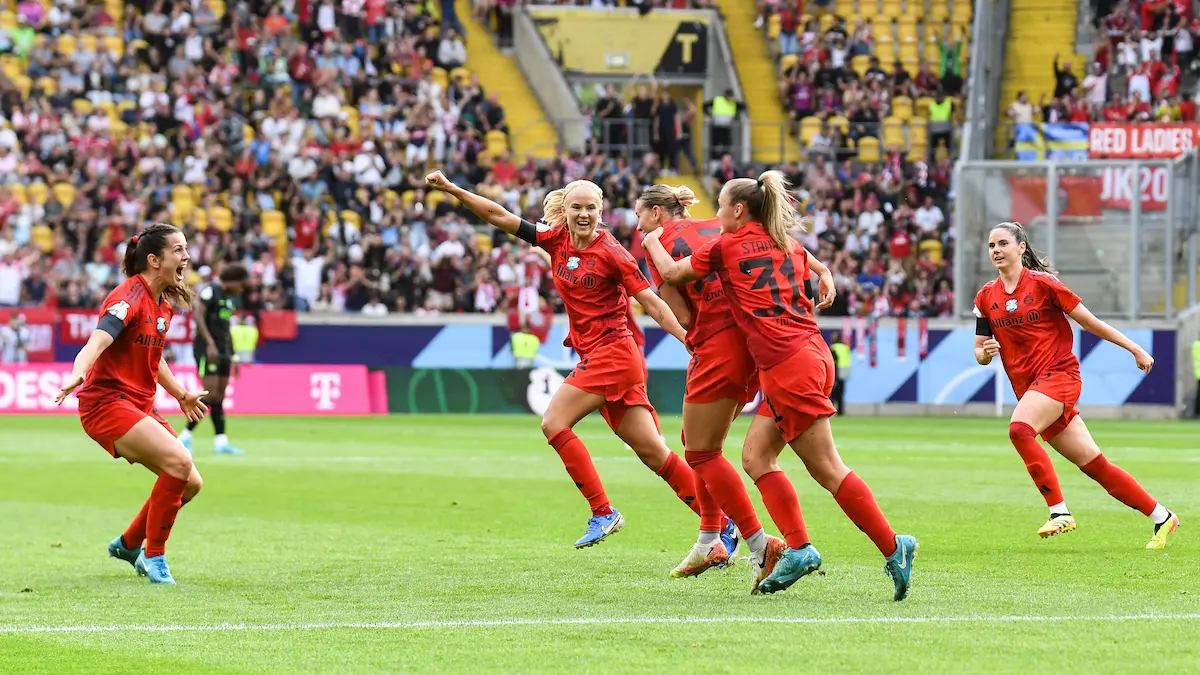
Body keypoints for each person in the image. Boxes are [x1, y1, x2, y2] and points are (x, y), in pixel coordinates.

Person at [643, 171, 918, 601]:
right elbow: (809, 259)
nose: (715, 215)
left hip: (788, 365)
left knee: (827, 467)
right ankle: (796, 547)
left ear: (738, 210)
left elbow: (673, 275)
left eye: (720, 206)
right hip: (808, 354)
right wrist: (824, 272)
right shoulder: (786, 243)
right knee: (755, 456)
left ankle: (889, 546)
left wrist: (652, 241)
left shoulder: (728, 245)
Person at [424, 170, 727, 553]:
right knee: (654, 453)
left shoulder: (612, 252)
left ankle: (603, 511)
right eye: (577, 207)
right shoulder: (555, 240)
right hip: (603, 355)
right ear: (565, 210)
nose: (584, 214)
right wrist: (452, 188)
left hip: (614, 354)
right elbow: (499, 216)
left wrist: (688, 340)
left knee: (554, 423)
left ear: (601, 212)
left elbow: (651, 302)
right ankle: (724, 524)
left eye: (591, 208)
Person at [973, 221, 1179, 548]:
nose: (996, 250)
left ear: (1021, 248)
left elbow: (1090, 322)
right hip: (1032, 390)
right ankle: (1162, 517)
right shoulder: (986, 297)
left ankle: (1059, 513)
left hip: (1060, 376)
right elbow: (979, 351)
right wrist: (986, 353)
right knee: (1096, 466)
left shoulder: (1044, 285)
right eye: (991, 245)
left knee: (1019, 430)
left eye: (1002, 243)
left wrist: (1135, 348)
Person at [54, 223, 210, 585]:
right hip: (106, 404)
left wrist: (180, 394)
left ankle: (128, 544)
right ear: (154, 260)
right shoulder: (127, 299)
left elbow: (154, 356)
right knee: (179, 460)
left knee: (191, 482)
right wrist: (79, 371)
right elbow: (95, 343)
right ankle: (153, 555)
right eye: (179, 251)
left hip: (138, 404)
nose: (186, 257)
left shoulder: (162, 303)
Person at [179, 263, 250, 455]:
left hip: (224, 351)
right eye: (241, 285)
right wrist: (209, 343)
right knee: (210, 394)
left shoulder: (228, 298)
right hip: (208, 350)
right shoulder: (210, 291)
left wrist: (233, 355)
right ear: (233, 280)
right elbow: (198, 316)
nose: (241, 289)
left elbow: (226, 328)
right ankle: (184, 436)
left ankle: (221, 441)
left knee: (218, 396)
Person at [829, 330, 851, 414]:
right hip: (845, 369)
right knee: (841, 392)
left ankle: (831, 410)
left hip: (836, 370)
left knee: (833, 391)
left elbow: (833, 359)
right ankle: (841, 411)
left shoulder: (834, 347)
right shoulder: (846, 347)